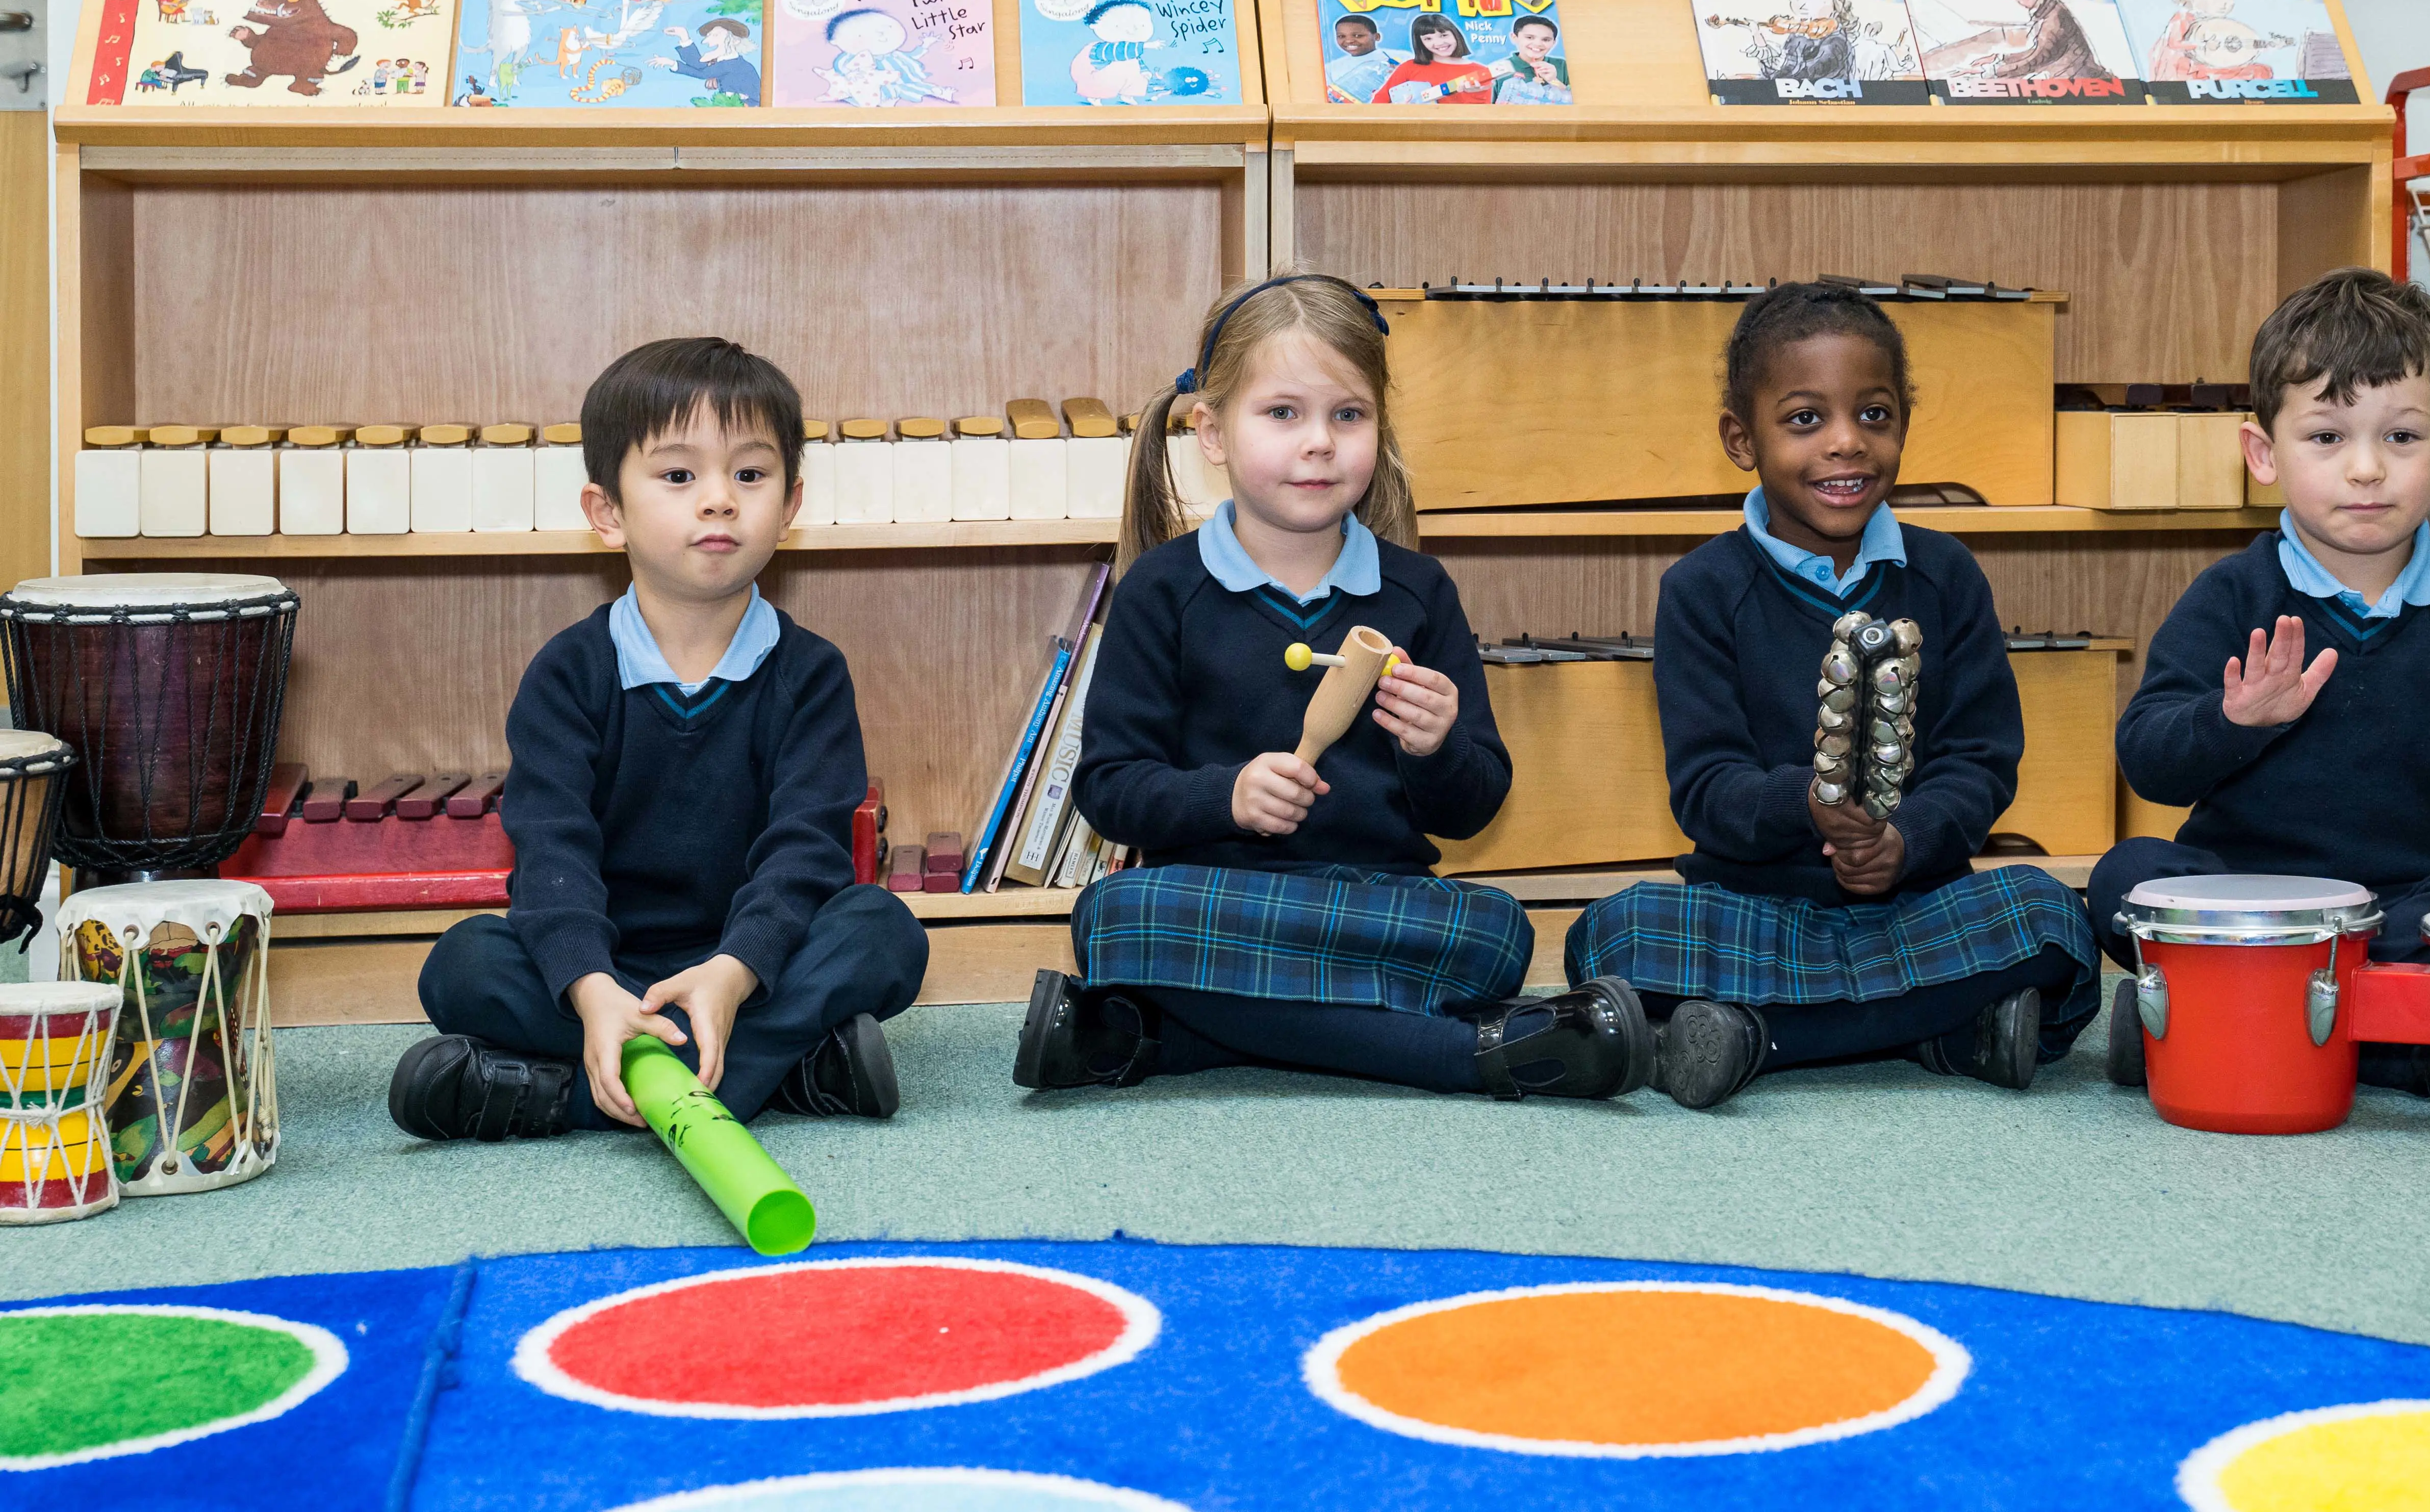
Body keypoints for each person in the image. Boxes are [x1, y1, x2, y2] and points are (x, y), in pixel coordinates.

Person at [1016, 274, 1651, 1100]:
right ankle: (1466, 1054)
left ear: (1378, 428)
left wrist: (1435, 746)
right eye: (1281, 413)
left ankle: (1158, 1036)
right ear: (1209, 431)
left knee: (1495, 932)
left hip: (1374, 901)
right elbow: (1108, 789)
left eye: (1346, 414)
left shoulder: (1418, 592)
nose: (1318, 441)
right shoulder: (1161, 591)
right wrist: (1227, 796)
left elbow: (1473, 806)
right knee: (1114, 916)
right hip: (1215, 897)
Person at [2088, 268, 2430, 1094]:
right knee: (2122, 875)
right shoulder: (2229, 595)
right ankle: (2401, 1039)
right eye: (2325, 437)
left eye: (2399, 437)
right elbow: (2147, 756)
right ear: (2261, 453)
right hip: (2251, 901)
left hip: (2410, 902)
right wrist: (2232, 720)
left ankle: (2250, 1027)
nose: (2363, 470)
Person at [1564, 283, 2099, 1109]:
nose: (1846, 444)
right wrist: (1808, 805)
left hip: (1915, 903)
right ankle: (1940, 1030)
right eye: (1805, 418)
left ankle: (1756, 1038)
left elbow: (1978, 762)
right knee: (1613, 933)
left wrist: (1905, 838)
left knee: (2052, 913)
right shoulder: (1700, 589)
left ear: (1903, 426)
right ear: (1741, 438)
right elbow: (1706, 789)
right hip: (1756, 910)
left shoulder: (1945, 575)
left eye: (1874, 414)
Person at [389, 338, 928, 1141]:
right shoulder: (568, 673)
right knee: (463, 963)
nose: (719, 500)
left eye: (749, 475)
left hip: (752, 967)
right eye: (679, 476)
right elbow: (551, 852)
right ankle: (784, 1074)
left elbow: (804, 852)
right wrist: (590, 989)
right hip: (606, 970)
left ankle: (551, 1096)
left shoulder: (810, 673)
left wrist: (731, 973)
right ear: (607, 512)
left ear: (790, 505)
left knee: (884, 931)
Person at [1373, 12, 1493, 104]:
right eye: (1428, 39)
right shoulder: (1409, 68)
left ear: (1456, 35)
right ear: (1421, 42)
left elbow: (1483, 116)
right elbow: (1379, 103)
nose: (1439, 43)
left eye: (1444, 35)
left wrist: (1477, 93)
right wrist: (1402, 111)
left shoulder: (1480, 72)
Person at [651, 17, 762, 103]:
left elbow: (701, 72)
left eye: (716, 35)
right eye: (710, 35)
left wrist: (672, 63)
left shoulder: (733, 64)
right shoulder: (725, 60)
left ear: (735, 40)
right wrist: (683, 36)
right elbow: (699, 65)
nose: (709, 39)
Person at [1490, 14, 1574, 105]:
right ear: (1515, 38)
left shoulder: (1562, 65)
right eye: (1530, 38)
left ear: (1554, 43)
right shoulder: (1499, 69)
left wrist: (1554, 81)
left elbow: (1576, 101)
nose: (1538, 44)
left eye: (1546, 40)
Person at [1323, 13, 1402, 104]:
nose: (1349, 40)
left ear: (1377, 37)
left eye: (1358, 36)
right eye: (1342, 36)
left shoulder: (1401, 58)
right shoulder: (1331, 68)